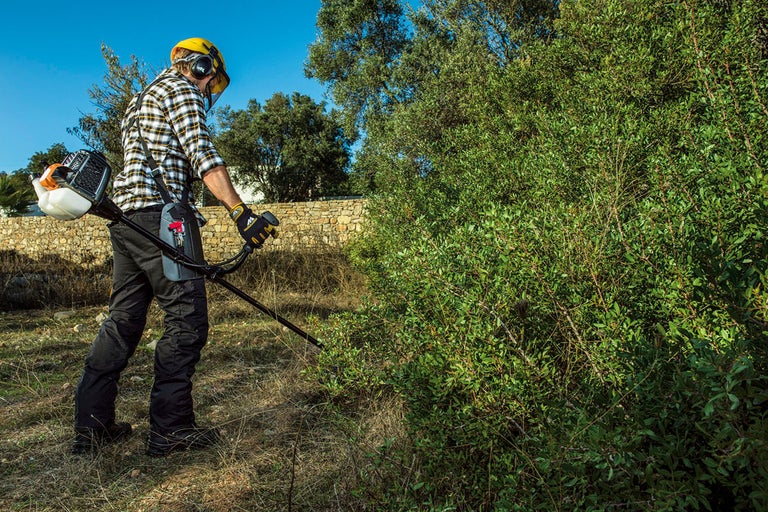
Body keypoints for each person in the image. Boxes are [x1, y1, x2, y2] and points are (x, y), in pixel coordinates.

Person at [72, 37, 270, 456]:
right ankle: (171, 430)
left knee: (122, 321)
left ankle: (91, 429)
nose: (208, 91)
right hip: (165, 220)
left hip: (126, 220)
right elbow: (203, 154)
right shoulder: (182, 90)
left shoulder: (140, 99)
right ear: (199, 66)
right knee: (186, 320)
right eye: (211, 81)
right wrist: (240, 212)